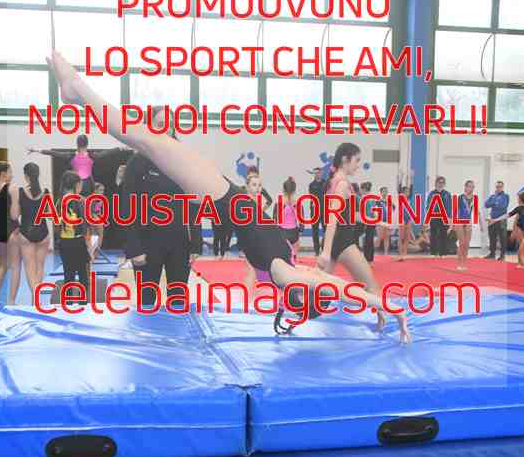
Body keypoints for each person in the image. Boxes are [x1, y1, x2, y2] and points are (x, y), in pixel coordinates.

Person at [47, 51, 410, 342]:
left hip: (223, 196)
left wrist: (377, 302)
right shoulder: (288, 273)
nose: (311, 280)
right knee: (145, 141)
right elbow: (332, 286)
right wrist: (381, 304)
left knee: (146, 141)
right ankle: (75, 88)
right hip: (222, 196)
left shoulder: (288, 273)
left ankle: (76, 89)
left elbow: (333, 286)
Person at [120, 107, 191, 307]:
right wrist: (133, 247)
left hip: (179, 243)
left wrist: (195, 243)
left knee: (178, 302)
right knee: (147, 303)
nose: (166, 129)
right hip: (147, 244)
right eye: (160, 125)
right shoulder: (138, 162)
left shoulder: (184, 160)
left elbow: (193, 201)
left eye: (170, 125)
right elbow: (126, 207)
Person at [317, 144, 383, 316]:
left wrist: (379, 222)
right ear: (345, 160)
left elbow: (349, 215)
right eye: (356, 160)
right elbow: (333, 219)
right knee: (372, 288)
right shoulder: (342, 184)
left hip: (335, 241)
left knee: (319, 291)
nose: (358, 165)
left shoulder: (335, 181)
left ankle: (292, 310)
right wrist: (326, 252)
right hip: (343, 243)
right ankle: (389, 324)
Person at [28, 134, 117, 196]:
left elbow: (54, 153)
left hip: (75, 183)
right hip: (88, 184)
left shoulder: (71, 156)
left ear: (77, 144)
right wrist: (119, 148)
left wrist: (37, 150)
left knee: (75, 202)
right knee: (86, 203)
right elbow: (106, 153)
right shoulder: (92, 156)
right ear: (87, 144)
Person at [13, 162, 50, 302]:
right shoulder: (46, 192)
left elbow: (15, 216)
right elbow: (49, 215)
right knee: (40, 267)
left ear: (26, 176)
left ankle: (35, 296)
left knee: (29, 268)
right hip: (43, 232)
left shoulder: (20, 192)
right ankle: (36, 298)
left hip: (26, 233)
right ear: (38, 174)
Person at [57, 170, 90, 303]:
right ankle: (83, 302)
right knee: (82, 273)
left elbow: (56, 221)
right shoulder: (77, 200)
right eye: (80, 184)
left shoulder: (60, 199)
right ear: (76, 184)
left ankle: (68, 302)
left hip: (64, 242)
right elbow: (82, 223)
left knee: (68, 274)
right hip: (77, 241)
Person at [0, 161, 21, 305]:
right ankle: (11, 301)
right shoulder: (12, 188)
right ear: (3, 173)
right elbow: (14, 215)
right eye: (10, 172)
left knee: (2, 265)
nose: (12, 175)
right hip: (12, 230)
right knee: (15, 266)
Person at [490, 188, 524, 268]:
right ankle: (520, 263)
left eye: (518, 198)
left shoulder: (519, 207)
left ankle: (521, 262)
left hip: (520, 227)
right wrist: (495, 219)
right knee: (521, 245)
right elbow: (507, 215)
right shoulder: (519, 208)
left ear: (521, 199)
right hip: (520, 228)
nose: (517, 200)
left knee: (522, 246)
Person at [274, 177, 302, 259]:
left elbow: (275, 220)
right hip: (294, 233)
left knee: (284, 258)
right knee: (293, 257)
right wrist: (300, 232)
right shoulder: (297, 203)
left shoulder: (279, 203)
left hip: (283, 233)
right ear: (294, 191)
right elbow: (301, 221)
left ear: (283, 190)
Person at [425, 176, 452, 257]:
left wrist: (449, 218)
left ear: (444, 184)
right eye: (439, 182)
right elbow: (428, 206)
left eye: (442, 183)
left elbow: (449, 206)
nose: (441, 184)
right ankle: (433, 253)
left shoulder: (447, 194)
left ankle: (443, 253)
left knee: (443, 235)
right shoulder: (431, 194)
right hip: (434, 216)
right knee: (433, 235)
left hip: (444, 217)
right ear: (436, 183)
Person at [485, 180, 509, 261]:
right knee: (492, 237)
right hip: (492, 220)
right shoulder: (492, 196)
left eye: (500, 187)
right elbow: (486, 204)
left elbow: (503, 206)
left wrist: (493, 203)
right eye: (497, 187)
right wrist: (495, 201)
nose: (498, 188)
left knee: (502, 238)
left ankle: (502, 255)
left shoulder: (506, 196)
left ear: (502, 187)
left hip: (501, 220)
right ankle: (492, 254)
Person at [454, 180, 475, 271]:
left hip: (468, 221)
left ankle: (464, 263)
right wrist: (453, 223)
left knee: (467, 244)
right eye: (469, 186)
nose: (471, 188)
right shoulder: (460, 197)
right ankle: (459, 264)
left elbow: (476, 211)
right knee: (461, 243)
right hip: (459, 221)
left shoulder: (474, 198)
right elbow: (455, 210)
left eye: (472, 187)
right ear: (465, 187)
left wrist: (481, 224)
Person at [396, 174, 415, 262]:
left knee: (407, 237)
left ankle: (404, 254)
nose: (408, 192)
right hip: (402, 218)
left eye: (408, 191)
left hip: (409, 218)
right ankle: (400, 254)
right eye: (406, 191)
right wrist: (401, 177)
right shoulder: (400, 197)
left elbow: (412, 187)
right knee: (401, 237)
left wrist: (411, 178)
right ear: (402, 192)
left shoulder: (409, 198)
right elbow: (399, 187)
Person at [308, 167, 326, 255]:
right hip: (315, 211)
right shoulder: (311, 185)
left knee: (326, 230)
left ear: (321, 173)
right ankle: (316, 250)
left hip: (325, 211)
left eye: (318, 173)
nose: (317, 174)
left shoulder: (326, 183)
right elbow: (311, 197)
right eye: (315, 173)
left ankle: (325, 248)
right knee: (315, 231)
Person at [376, 186, 393, 255]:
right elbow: (375, 211)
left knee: (387, 237)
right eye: (384, 191)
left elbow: (393, 211)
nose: (385, 193)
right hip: (381, 221)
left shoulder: (389, 202)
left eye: (386, 191)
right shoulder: (378, 201)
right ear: (381, 192)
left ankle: (386, 253)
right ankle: (373, 252)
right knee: (380, 237)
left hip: (388, 221)